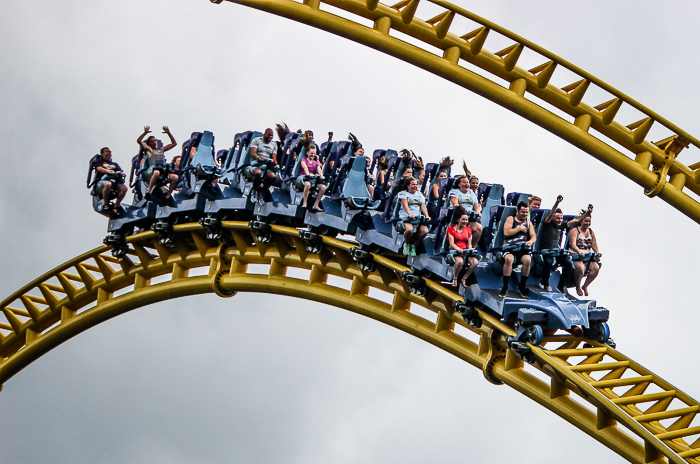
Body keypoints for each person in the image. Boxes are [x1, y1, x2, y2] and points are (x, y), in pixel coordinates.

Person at [538, 196, 592, 292]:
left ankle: (561, 285)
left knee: (568, 264)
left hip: (556, 251)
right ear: (553, 217)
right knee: (548, 263)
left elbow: (577, 220)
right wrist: (557, 203)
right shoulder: (548, 223)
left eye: (561, 218)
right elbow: (550, 215)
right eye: (557, 218)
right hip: (547, 251)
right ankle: (545, 284)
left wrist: (588, 213)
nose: (559, 220)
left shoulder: (562, 224)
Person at [500, 201, 537, 298]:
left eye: (526, 212)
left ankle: (522, 285)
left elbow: (534, 236)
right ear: (518, 211)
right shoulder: (511, 219)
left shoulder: (528, 223)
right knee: (509, 259)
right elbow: (506, 233)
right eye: (523, 212)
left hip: (521, 249)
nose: (524, 214)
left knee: (528, 260)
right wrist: (519, 229)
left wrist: (530, 242)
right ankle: (505, 286)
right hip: (510, 247)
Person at [137, 126, 178, 201]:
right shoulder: (149, 150)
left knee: (175, 177)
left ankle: (168, 196)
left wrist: (168, 133)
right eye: (152, 141)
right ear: (149, 143)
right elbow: (139, 141)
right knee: (156, 172)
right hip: (153, 170)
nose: (154, 142)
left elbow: (174, 143)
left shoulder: (161, 149)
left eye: (155, 140)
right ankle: (148, 192)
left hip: (163, 169)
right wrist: (145, 132)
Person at [569, 213, 601, 296]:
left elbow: (594, 244)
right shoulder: (575, 230)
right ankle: (578, 286)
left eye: (589, 221)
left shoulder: (590, 232)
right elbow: (572, 244)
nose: (587, 223)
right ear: (581, 221)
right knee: (580, 268)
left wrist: (597, 253)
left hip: (587, 255)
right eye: (585, 221)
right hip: (576, 254)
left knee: (596, 268)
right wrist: (579, 251)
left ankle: (585, 286)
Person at [397, 177, 431, 256]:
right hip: (407, 218)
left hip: (417, 219)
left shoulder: (419, 194)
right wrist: (409, 214)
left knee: (425, 231)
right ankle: (407, 244)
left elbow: (423, 206)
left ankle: (414, 245)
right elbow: (405, 205)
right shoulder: (403, 194)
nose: (415, 186)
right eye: (413, 184)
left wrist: (427, 216)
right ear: (408, 186)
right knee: (410, 230)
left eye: (416, 184)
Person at [447, 207, 479, 287]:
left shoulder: (468, 230)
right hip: (455, 251)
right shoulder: (451, 229)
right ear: (458, 220)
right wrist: (458, 249)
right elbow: (451, 243)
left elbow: (469, 244)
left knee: (475, 262)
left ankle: (464, 278)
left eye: (466, 220)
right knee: (460, 262)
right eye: (463, 220)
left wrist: (470, 250)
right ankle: (455, 278)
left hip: (465, 252)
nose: (465, 222)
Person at [448, 175, 483, 248]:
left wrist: (478, 212)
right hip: (458, 216)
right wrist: (463, 213)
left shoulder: (471, 192)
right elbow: (456, 204)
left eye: (467, 182)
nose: (467, 184)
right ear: (459, 184)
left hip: (470, 216)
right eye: (464, 182)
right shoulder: (454, 192)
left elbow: (476, 206)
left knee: (479, 228)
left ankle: (471, 248)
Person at [94, 147, 127, 214]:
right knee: (108, 184)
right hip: (102, 181)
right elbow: (99, 169)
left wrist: (122, 174)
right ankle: (106, 204)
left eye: (110, 152)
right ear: (102, 154)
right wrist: (108, 171)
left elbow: (120, 171)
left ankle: (116, 206)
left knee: (124, 188)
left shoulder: (115, 164)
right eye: (107, 152)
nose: (109, 153)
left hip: (114, 182)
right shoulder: (99, 162)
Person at [299, 145, 327, 212]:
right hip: (304, 179)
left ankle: (316, 205)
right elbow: (305, 167)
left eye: (314, 153)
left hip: (313, 180)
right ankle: (304, 202)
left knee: (323, 187)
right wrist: (308, 173)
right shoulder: (304, 160)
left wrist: (321, 176)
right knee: (308, 185)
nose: (313, 155)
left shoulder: (316, 163)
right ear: (307, 153)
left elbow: (319, 170)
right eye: (311, 153)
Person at [249, 128, 278, 192]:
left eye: (272, 135)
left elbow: (274, 155)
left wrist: (274, 161)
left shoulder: (274, 144)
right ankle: (255, 190)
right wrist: (258, 157)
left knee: (272, 176)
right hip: (256, 163)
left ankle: (262, 191)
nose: (270, 137)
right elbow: (253, 152)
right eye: (269, 135)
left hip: (266, 165)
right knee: (258, 173)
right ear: (265, 134)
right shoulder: (256, 140)